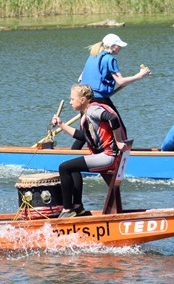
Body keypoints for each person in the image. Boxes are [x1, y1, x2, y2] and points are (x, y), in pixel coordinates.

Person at [51, 84, 128, 218]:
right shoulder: (88, 113)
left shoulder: (93, 110)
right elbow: (82, 136)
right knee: (72, 167)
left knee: (64, 168)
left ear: (83, 100)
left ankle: (67, 210)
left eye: (72, 99)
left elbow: (113, 118)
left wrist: (119, 141)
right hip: (108, 155)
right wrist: (61, 125)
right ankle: (77, 206)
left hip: (109, 157)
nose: (70, 102)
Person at [77, 33, 151, 135]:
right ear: (112, 46)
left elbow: (80, 78)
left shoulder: (93, 55)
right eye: (119, 45)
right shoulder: (110, 59)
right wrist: (140, 75)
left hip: (85, 97)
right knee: (120, 128)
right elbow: (120, 81)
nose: (120, 48)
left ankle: (75, 150)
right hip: (99, 98)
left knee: (85, 133)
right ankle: (121, 149)